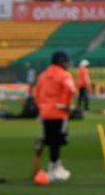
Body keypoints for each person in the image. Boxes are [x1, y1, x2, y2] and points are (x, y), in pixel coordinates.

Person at [33, 50, 76, 182]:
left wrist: (42, 106)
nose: (67, 64)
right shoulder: (65, 75)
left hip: (45, 113)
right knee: (57, 142)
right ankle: (54, 170)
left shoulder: (43, 75)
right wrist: (67, 106)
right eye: (65, 61)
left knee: (50, 141)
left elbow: (36, 94)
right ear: (61, 61)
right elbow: (71, 90)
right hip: (59, 112)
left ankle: (56, 166)